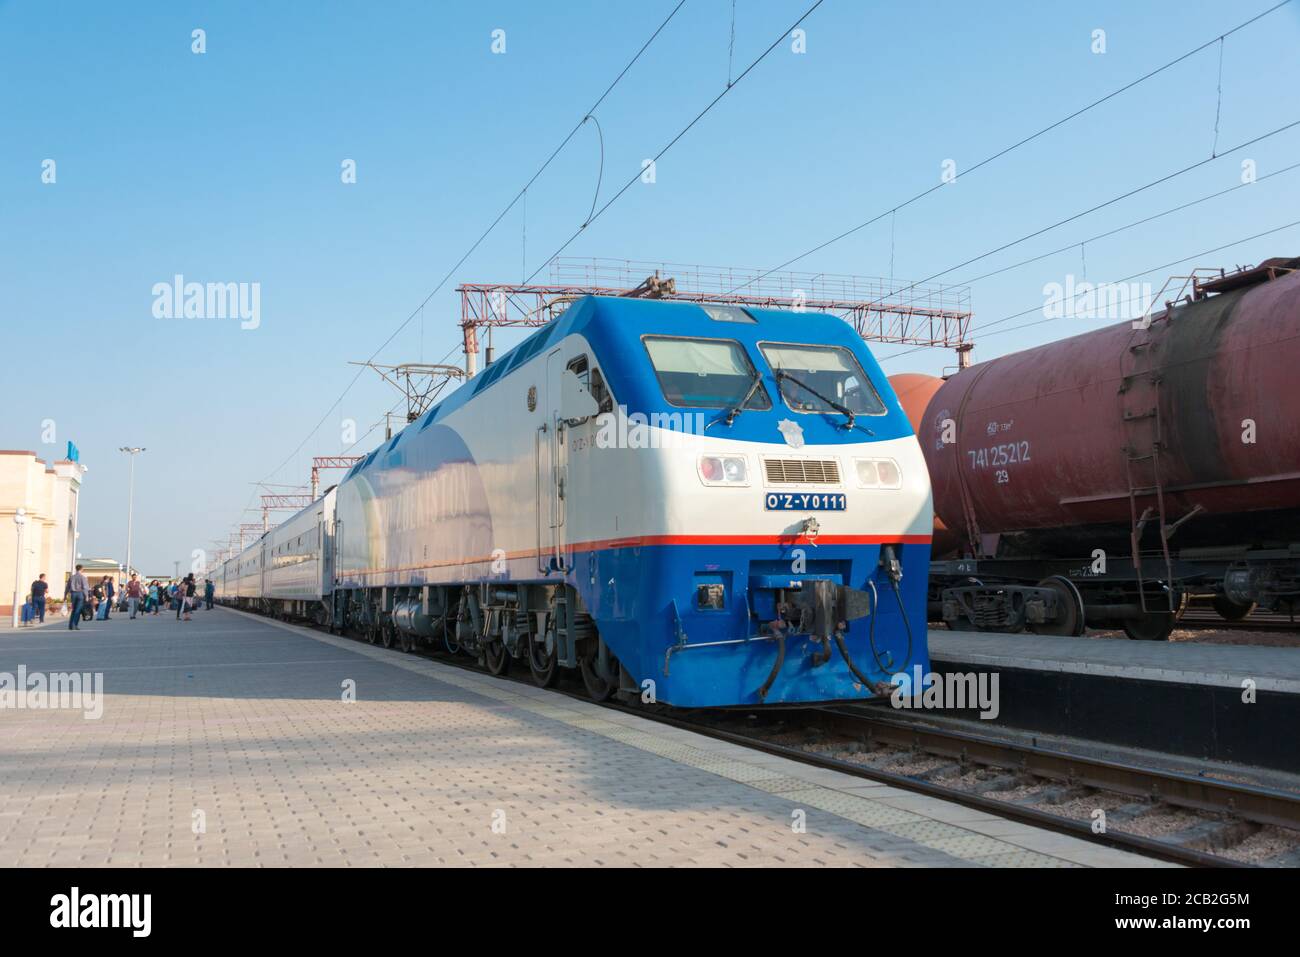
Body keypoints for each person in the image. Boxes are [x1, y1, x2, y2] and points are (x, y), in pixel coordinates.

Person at [66, 566, 88, 630]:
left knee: (74, 610)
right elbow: (85, 588)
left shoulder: (71, 577)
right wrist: (86, 596)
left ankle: (70, 625)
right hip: (80, 594)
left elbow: (67, 587)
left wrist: (65, 595)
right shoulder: (83, 577)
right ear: (81, 569)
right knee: (77, 610)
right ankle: (74, 625)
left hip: (73, 594)